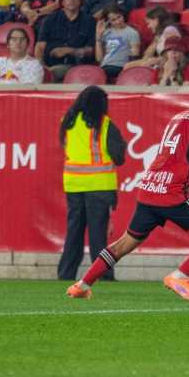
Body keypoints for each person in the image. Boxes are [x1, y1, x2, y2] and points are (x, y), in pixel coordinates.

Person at [65, 79, 189, 301]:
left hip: (149, 189)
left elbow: (175, 163)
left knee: (124, 244)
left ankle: (81, 285)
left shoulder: (176, 119)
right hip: (173, 194)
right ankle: (180, 276)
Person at [57, 85, 126, 281]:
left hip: (73, 183)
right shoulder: (104, 124)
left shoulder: (67, 122)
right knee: (98, 235)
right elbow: (119, 156)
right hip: (99, 185)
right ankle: (103, 275)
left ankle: (66, 273)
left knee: (74, 233)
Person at [36, 0, 97, 81]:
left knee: (54, 73)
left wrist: (70, 51)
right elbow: (40, 47)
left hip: (76, 66)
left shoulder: (90, 21)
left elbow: (91, 50)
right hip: (49, 65)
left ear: (80, 1)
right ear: (62, 2)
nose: (71, 0)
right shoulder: (50, 20)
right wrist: (40, 66)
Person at [95, 5, 142, 80]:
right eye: (113, 20)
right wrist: (98, 35)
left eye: (119, 17)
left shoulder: (132, 33)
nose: (118, 21)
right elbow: (99, 59)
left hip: (120, 67)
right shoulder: (106, 32)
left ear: (123, 14)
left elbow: (135, 56)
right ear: (108, 21)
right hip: (104, 67)